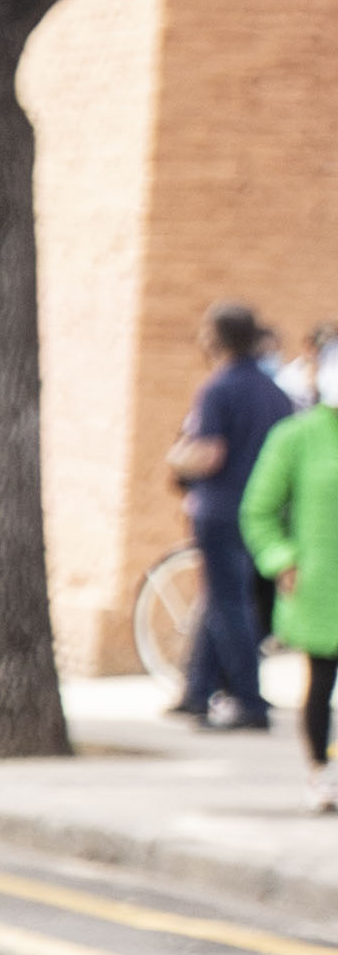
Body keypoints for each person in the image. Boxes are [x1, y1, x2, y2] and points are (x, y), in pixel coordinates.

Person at [168, 300, 290, 732]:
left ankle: (248, 700)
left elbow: (209, 453)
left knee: (228, 603)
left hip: (222, 510)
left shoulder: (219, 389)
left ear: (216, 337)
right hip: (262, 513)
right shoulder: (275, 392)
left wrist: (178, 458)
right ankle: (197, 691)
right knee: (225, 600)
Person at [244, 381, 338, 814]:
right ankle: (321, 770)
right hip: (321, 587)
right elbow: (259, 510)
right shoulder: (296, 437)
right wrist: (282, 560)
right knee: (321, 682)